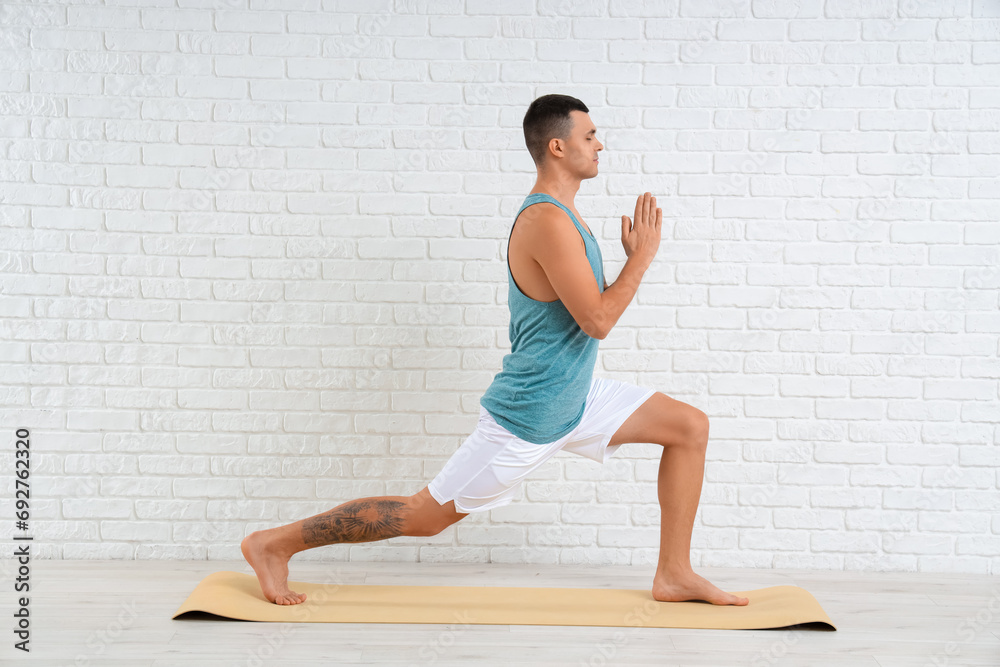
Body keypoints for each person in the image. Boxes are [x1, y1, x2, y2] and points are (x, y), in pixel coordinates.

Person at [242, 94, 749, 607]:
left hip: (574, 397)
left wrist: (630, 262)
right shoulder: (546, 221)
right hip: (529, 414)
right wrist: (641, 259)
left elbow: (588, 313)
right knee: (423, 516)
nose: (600, 144)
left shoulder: (567, 215)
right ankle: (272, 544)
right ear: (557, 146)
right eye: (589, 136)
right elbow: (597, 321)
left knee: (688, 427)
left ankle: (675, 573)